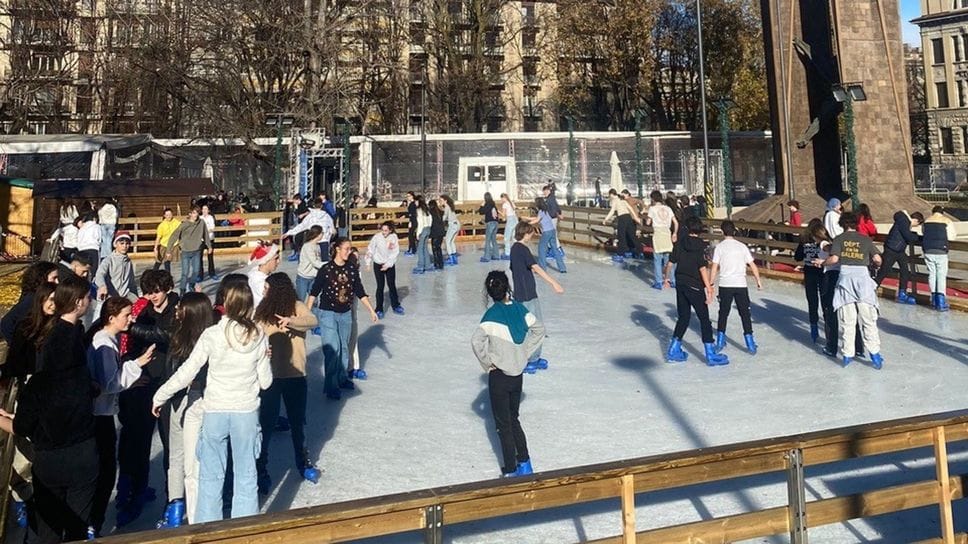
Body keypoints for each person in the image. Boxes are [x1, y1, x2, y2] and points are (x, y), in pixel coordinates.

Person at [151, 282, 272, 523]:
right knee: (246, 475)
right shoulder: (259, 335)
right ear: (249, 305)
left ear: (226, 304)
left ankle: (208, 528)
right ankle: (244, 531)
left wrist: (160, 395)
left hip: (215, 410)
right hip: (245, 412)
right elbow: (266, 382)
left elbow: (188, 370)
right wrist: (265, 359)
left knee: (210, 476)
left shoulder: (212, 334)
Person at [0, 275, 97, 543]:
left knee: (49, 529)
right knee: (78, 527)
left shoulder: (38, 385)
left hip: (51, 460)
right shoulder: (81, 379)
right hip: (83, 454)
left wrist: (6, 418)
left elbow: (22, 426)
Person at [87, 297, 154, 536]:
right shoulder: (105, 344)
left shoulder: (107, 339)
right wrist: (137, 364)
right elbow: (110, 383)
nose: (131, 319)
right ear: (111, 317)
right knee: (104, 470)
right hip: (100, 414)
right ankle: (93, 523)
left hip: (102, 411)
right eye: (126, 315)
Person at [116, 269, 178, 526]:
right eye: (149, 292)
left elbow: (168, 335)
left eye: (157, 291)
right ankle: (132, 494)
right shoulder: (143, 311)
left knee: (171, 446)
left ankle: (172, 499)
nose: (153, 296)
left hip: (169, 386)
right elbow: (130, 345)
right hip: (144, 386)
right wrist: (133, 369)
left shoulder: (178, 309)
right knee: (137, 443)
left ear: (167, 288)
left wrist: (135, 327)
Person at [471, 270, 545, 477]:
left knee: (503, 425)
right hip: (517, 376)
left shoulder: (490, 316)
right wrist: (524, 353)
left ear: (489, 292)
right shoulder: (520, 309)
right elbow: (539, 329)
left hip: (499, 377)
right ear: (507, 288)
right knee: (514, 419)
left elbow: (476, 341)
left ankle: (511, 470)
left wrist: (487, 363)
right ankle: (525, 463)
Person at [254, 273, 321, 494]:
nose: (263, 291)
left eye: (267, 288)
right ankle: (261, 467)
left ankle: (303, 462)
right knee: (266, 423)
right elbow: (253, 333)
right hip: (270, 376)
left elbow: (313, 320)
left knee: (297, 422)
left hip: (295, 375)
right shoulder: (262, 310)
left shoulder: (297, 306)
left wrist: (291, 321)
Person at [152, 292, 214, 528]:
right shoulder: (209, 336)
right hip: (200, 401)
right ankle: (180, 507)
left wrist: (162, 396)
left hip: (186, 402)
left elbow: (179, 374)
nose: (176, 310)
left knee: (179, 456)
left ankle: (177, 508)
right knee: (193, 456)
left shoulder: (182, 338)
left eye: (180, 307)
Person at [307, 238, 379, 400]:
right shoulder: (326, 269)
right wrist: (307, 312)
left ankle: (342, 377)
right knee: (333, 349)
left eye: (350, 249)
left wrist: (371, 310)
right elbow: (314, 292)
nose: (349, 252)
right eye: (346, 249)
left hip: (345, 313)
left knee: (344, 347)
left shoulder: (351, 269)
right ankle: (331, 386)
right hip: (327, 313)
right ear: (337, 249)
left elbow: (360, 291)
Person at [820, 211, 885, 368]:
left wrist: (822, 262)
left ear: (842, 224)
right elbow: (877, 259)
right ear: (856, 224)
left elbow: (834, 259)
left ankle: (847, 354)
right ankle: (875, 354)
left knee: (848, 320)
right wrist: (875, 265)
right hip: (863, 280)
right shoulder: (865, 239)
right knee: (868, 319)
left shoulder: (839, 239)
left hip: (846, 279)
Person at [663, 216, 728, 366]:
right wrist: (709, 287)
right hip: (695, 285)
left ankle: (673, 349)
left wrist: (666, 278)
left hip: (681, 283)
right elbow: (702, 268)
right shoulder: (701, 245)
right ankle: (710, 354)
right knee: (704, 319)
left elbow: (670, 263)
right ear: (699, 230)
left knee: (683, 317)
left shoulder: (680, 242)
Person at [509, 222, 564, 373]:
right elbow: (536, 267)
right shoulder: (523, 249)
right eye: (531, 233)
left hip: (521, 293)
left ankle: (534, 357)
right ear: (526, 233)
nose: (532, 236)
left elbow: (517, 268)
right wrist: (554, 283)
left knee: (532, 326)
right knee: (535, 327)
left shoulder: (514, 249)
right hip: (527, 294)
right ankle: (530, 359)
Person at [710, 221, 763, 356]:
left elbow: (714, 267)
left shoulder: (719, 247)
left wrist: (711, 283)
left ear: (722, 231)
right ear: (734, 231)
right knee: (745, 313)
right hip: (740, 285)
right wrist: (758, 280)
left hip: (725, 284)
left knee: (723, 313)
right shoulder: (742, 247)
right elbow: (752, 265)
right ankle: (750, 342)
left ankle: (720, 340)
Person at [0, 261, 59, 343]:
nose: (57, 282)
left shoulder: (40, 296)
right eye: (54, 278)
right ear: (42, 278)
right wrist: (16, 345)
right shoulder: (31, 300)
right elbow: (7, 324)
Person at [874, 210, 924, 304]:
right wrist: (918, 237)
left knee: (905, 271)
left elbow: (906, 234)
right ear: (916, 220)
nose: (915, 226)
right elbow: (908, 236)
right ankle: (872, 287)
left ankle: (902, 292)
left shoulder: (904, 222)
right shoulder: (904, 221)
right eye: (917, 225)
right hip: (891, 249)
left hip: (899, 251)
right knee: (884, 270)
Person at [794, 219, 829, 343]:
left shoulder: (804, 241)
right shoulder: (824, 240)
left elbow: (797, 257)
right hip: (823, 273)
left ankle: (814, 330)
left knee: (812, 302)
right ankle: (829, 332)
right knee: (825, 302)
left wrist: (806, 253)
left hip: (809, 273)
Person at [166, 207, 212, 295]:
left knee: (196, 271)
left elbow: (205, 234)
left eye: (197, 213)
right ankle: (182, 290)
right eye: (194, 213)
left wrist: (209, 246)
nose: (196, 215)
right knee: (185, 273)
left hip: (196, 251)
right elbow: (174, 236)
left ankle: (191, 285)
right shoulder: (184, 224)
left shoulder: (201, 223)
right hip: (185, 252)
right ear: (190, 214)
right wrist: (168, 250)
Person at [367, 221, 404, 318]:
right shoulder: (377, 237)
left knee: (391, 285)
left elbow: (395, 252)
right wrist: (368, 262)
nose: (384, 232)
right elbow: (371, 249)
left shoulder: (393, 237)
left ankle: (395, 305)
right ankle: (379, 308)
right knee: (380, 286)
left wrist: (388, 264)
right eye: (382, 230)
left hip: (389, 265)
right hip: (378, 264)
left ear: (390, 230)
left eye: (386, 230)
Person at [922, 206, 957, 311]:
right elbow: (951, 236)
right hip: (941, 250)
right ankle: (941, 302)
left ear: (933, 212)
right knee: (941, 275)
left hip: (928, 250)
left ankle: (933, 299)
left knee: (932, 274)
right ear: (942, 213)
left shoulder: (926, 221)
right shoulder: (947, 221)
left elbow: (923, 233)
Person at [646, 190, 679, 289]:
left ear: (653, 199)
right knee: (669, 260)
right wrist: (674, 233)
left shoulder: (652, 209)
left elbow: (648, 222)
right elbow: (676, 222)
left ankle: (659, 281)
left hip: (658, 234)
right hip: (667, 233)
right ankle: (672, 280)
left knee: (657, 259)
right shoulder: (668, 208)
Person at [95, 230, 138, 302]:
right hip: (111, 296)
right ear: (115, 244)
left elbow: (132, 282)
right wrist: (102, 286)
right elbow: (100, 274)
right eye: (122, 243)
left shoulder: (128, 262)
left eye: (127, 244)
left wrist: (136, 296)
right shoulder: (108, 260)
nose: (124, 246)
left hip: (125, 295)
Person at [529, 198, 567, 273]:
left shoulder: (541, 211)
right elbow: (537, 218)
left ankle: (542, 268)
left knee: (541, 249)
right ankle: (562, 268)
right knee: (555, 249)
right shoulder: (546, 211)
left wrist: (527, 223)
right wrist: (528, 220)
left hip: (546, 232)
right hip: (552, 231)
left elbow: (537, 220)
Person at [603, 189, 641, 262]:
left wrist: (605, 219)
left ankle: (620, 254)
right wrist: (636, 217)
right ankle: (639, 251)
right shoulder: (623, 200)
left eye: (609, 195)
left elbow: (612, 211)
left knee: (621, 236)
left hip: (622, 218)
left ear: (611, 194)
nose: (609, 197)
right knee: (632, 235)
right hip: (628, 217)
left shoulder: (615, 201)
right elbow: (630, 208)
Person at [296, 225, 325, 303]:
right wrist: (328, 264)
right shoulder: (307, 246)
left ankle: (313, 311)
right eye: (322, 232)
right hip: (303, 277)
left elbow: (319, 260)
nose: (323, 234)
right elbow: (315, 262)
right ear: (317, 234)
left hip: (313, 277)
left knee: (314, 300)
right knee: (300, 300)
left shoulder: (318, 246)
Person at [247, 242, 280, 308]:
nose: (279, 261)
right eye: (276, 258)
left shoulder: (254, 275)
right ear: (265, 261)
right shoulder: (262, 284)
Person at [154, 208, 181, 273]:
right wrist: (155, 248)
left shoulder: (177, 223)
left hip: (173, 245)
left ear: (172, 214)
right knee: (158, 261)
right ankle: (154, 273)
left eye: (170, 214)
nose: (169, 216)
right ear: (164, 216)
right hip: (164, 245)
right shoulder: (162, 225)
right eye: (167, 215)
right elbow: (158, 237)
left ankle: (168, 275)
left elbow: (182, 232)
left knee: (167, 262)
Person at [76, 212, 101, 277]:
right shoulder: (96, 226)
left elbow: (78, 239)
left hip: (82, 249)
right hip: (93, 248)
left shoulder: (82, 228)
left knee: (83, 269)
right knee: (94, 269)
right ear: (94, 218)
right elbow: (99, 237)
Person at [198, 204, 218, 281]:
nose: (204, 210)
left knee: (210, 257)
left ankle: (212, 273)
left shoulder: (211, 218)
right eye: (203, 209)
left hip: (210, 239)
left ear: (208, 210)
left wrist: (206, 232)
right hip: (201, 240)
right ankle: (200, 275)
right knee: (199, 257)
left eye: (206, 209)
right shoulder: (200, 218)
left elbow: (212, 227)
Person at [479, 192, 501, 262]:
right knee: (494, 240)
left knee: (488, 240)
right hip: (496, 223)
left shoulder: (487, 204)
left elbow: (481, 212)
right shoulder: (493, 205)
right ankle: (496, 255)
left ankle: (487, 257)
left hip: (490, 223)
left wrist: (481, 205)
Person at [413, 195, 432, 273]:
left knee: (420, 249)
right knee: (425, 248)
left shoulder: (419, 210)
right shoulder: (427, 209)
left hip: (422, 230)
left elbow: (420, 222)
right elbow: (430, 219)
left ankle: (420, 266)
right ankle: (428, 265)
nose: (415, 203)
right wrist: (429, 227)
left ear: (418, 201)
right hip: (428, 228)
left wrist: (418, 233)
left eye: (415, 201)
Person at [441, 195, 461, 265]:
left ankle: (451, 259)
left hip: (452, 225)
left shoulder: (447, 207)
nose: (440, 202)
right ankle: (454, 259)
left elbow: (444, 217)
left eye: (441, 200)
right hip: (457, 224)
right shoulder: (451, 206)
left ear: (445, 201)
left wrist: (438, 220)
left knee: (447, 241)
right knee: (451, 241)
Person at [498, 193, 517, 260]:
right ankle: (516, 251)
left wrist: (498, 211)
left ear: (504, 198)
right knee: (514, 237)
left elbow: (503, 215)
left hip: (510, 220)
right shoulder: (511, 203)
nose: (501, 200)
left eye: (501, 198)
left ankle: (507, 253)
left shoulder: (505, 204)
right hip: (515, 219)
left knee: (506, 237)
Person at [428, 199, 446, 271]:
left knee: (434, 248)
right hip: (441, 232)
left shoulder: (430, 212)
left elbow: (430, 223)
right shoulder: (440, 212)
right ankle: (441, 264)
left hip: (435, 232)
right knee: (438, 248)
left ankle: (437, 264)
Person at [404, 191, 418, 256]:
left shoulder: (413, 204)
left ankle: (413, 250)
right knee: (411, 235)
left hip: (413, 221)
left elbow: (412, 214)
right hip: (413, 220)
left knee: (411, 236)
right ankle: (411, 249)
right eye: (407, 196)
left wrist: (410, 222)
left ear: (412, 196)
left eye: (409, 196)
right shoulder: (411, 203)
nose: (407, 197)